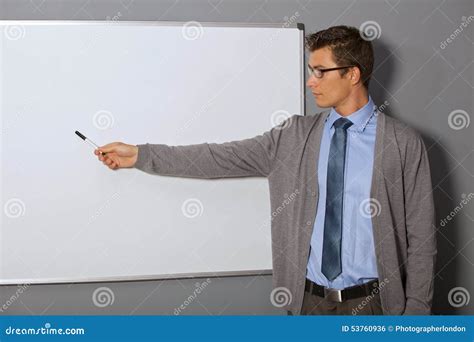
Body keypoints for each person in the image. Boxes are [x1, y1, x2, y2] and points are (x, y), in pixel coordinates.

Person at [94, 25, 436, 315]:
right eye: (310, 70)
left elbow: (422, 238)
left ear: (353, 74)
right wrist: (140, 155)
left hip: (376, 307)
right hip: (307, 304)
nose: (310, 81)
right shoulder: (294, 136)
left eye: (320, 71)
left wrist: (416, 315)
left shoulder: (403, 143)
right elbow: (218, 158)